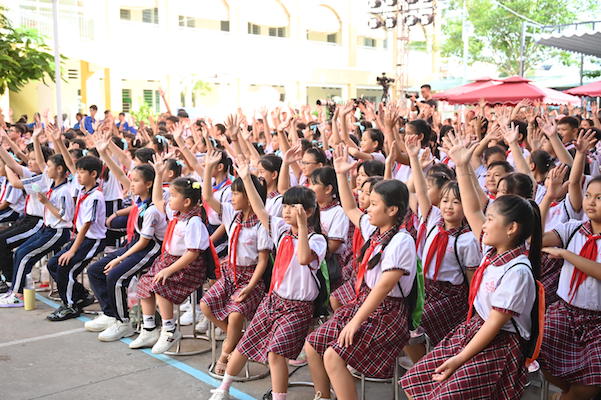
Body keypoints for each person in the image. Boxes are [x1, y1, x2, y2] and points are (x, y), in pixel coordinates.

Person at [401, 132, 541, 399]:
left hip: (498, 344)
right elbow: (473, 210)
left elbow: (494, 325)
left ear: (511, 228)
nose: (483, 224)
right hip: (474, 330)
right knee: (417, 382)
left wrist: (458, 359)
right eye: (485, 219)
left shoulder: (518, 271)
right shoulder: (493, 249)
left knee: (442, 393)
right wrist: (463, 167)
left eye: (491, 220)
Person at [305, 144, 417, 400]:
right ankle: (322, 396)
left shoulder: (401, 241)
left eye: (374, 203)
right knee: (313, 344)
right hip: (365, 305)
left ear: (392, 210)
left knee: (334, 354)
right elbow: (350, 209)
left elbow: (383, 288)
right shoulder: (376, 230)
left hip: (387, 314)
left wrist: (355, 322)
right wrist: (342, 174)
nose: (367, 207)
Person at [209, 164, 327, 400]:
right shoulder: (281, 230)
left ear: (309, 211)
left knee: (276, 353)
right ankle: (224, 388)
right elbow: (260, 208)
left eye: (293, 208)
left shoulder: (316, 240)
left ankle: (279, 397)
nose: (286, 212)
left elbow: (304, 258)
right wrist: (246, 178)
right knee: (246, 342)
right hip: (274, 300)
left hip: (298, 308)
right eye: (285, 207)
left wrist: (302, 226)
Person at [200, 151, 271, 375]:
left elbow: (262, 260)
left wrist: (250, 286)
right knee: (206, 305)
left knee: (236, 313)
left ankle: (225, 353)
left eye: (236, 194)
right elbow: (208, 198)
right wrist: (208, 169)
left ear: (249, 197)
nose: (231, 198)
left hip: (251, 279)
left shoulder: (261, 224)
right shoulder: (232, 215)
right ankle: (239, 339)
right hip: (231, 274)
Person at [129, 176, 212, 354]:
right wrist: (158, 174)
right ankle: (149, 328)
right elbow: (158, 199)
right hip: (169, 261)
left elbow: (193, 253)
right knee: (145, 282)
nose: (169, 199)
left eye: (173, 196)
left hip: (189, 267)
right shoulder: (177, 215)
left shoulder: (193, 222)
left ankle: (169, 329)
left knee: (160, 284)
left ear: (187, 201)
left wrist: (169, 270)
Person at [85, 164, 165, 341]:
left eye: (136, 181)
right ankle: (110, 313)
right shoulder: (140, 202)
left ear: (149, 184)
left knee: (116, 276)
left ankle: (123, 322)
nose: (132, 184)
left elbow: (145, 242)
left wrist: (119, 258)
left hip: (150, 249)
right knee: (95, 270)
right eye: (132, 180)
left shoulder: (152, 208)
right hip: (135, 244)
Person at [0, 139, 73, 307]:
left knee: (21, 253)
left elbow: (16, 183)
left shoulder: (48, 183)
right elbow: (18, 165)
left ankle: (15, 289)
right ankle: (15, 287)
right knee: (20, 253)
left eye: (35, 159)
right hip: (38, 223)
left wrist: (8, 167)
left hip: (47, 226)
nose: (31, 161)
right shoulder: (43, 180)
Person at [46, 155, 107, 321]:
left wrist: (72, 250)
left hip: (93, 240)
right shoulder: (82, 190)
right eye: (77, 172)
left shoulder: (95, 197)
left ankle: (70, 305)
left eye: (81, 172)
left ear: (93, 174)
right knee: (52, 264)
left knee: (66, 268)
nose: (77, 176)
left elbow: (87, 226)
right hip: (81, 238)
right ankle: (81, 295)